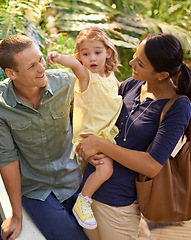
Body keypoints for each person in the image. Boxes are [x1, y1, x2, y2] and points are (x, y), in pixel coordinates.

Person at [75, 33, 191, 239]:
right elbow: (101, 123)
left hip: (119, 207)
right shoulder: (131, 85)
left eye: (140, 63)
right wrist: (87, 148)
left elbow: (152, 165)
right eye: (135, 55)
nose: (132, 62)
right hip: (87, 196)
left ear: (161, 74)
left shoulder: (178, 106)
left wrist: (101, 145)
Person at [0, 34, 88, 240]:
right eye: (32, 66)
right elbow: (6, 157)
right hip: (36, 191)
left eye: (40, 59)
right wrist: (16, 215)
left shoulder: (65, 84)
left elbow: (85, 127)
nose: (42, 68)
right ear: (11, 73)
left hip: (74, 181)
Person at [46, 26, 122, 230]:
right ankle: (83, 201)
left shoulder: (111, 78)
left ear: (108, 52)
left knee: (104, 169)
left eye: (97, 52)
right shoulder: (86, 77)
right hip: (91, 135)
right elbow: (74, 66)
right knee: (105, 169)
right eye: (85, 54)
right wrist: (58, 57)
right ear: (80, 57)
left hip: (106, 134)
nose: (92, 58)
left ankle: (87, 200)